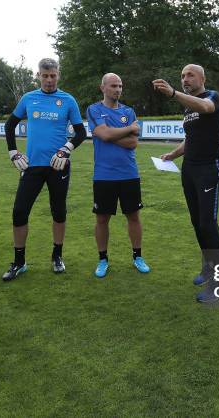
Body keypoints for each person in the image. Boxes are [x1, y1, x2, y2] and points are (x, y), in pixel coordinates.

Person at [2, 58, 86, 280]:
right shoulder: (28, 98)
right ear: (38, 75)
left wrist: (65, 150)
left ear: (59, 74)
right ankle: (19, 262)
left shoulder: (68, 100)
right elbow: (9, 125)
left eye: (53, 75)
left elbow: (80, 133)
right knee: (19, 212)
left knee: (58, 212)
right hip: (32, 166)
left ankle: (57, 256)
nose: (49, 80)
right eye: (45, 75)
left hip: (58, 166)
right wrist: (13, 152)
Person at [153, 64, 219, 303]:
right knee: (197, 222)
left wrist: (174, 93)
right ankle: (208, 268)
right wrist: (173, 155)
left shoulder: (211, 97)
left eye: (190, 75)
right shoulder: (188, 108)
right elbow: (190, 138)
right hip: (190, 170)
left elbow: (206, 107)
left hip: (207, 169)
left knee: (208, 223)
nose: (185, 79)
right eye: (182, 75)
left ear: (202, 78)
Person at [86, 73, 150, 278]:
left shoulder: (128, 111)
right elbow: (104, 135)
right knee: (102, 219)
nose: (118, 89)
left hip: (129, 174)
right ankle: (103, 259)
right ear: (102, 87)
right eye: (114, 85)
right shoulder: (94, 109)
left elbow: (133, 143)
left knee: (133, 216)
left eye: (120, 86)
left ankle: (137, 256)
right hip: (104, 175)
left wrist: (108, 134)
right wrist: (128, 129)